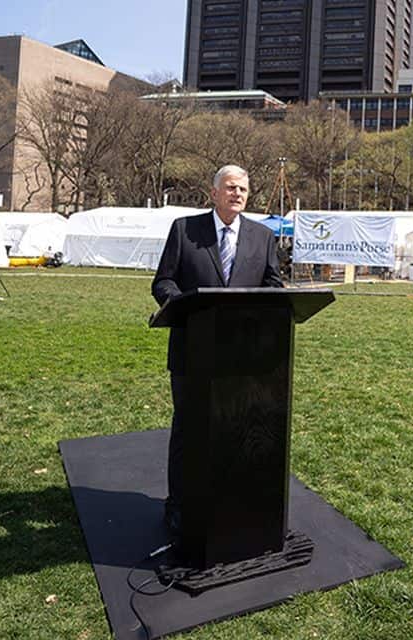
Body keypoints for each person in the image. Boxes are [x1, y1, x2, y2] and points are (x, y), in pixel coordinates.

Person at [151, 165, 284, 536]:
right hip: (193, 353)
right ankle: (178, 506)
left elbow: (273, 285)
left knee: (239, 431)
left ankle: (231, 501)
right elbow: (163, 281)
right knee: (188, 432)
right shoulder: (185, 229)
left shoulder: (263, 236)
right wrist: (186, 308)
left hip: (243, 358)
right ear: (213, 193)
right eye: (230, 187)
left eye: (243, 188)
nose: (237, 193)